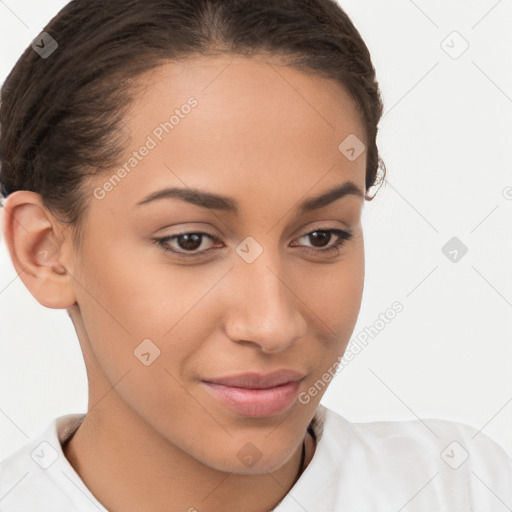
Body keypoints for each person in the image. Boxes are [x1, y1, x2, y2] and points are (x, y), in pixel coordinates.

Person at [0, 0, 511, 510]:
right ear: (44, 251)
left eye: (320, 237)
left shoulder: (463, 488)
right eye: (190, 241)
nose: (272, 325)